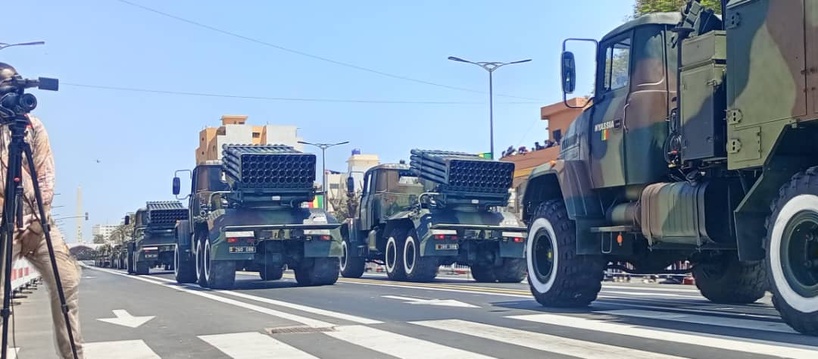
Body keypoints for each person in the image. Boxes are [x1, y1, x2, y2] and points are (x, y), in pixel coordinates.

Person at [0, 62, 84, 359]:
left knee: (67, 283)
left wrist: (38, 219)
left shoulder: (32, 127)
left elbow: (45, 175)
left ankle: (72, 355)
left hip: (37, 224)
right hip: (2, 225)